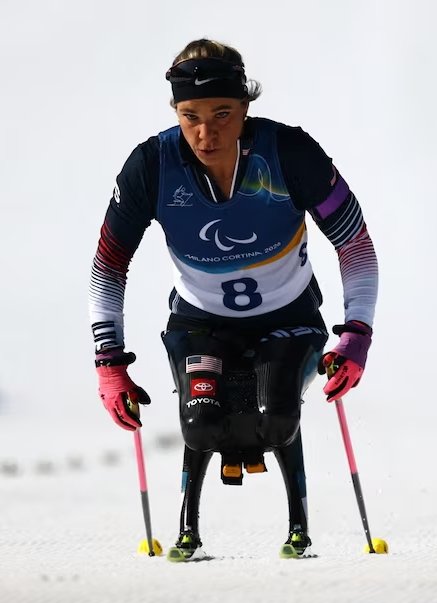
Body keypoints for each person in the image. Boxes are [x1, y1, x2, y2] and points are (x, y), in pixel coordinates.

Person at [88, 39, 379, 560]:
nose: (207, 133)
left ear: (246, 106)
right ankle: (188, 528)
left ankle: (298, 525)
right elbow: (108, 266)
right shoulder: (151, 165)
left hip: (289, 316)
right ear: (176, 112)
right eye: (190, 116)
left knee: (279, 418)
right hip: (201, 322)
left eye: (223, 113)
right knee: (200, 427)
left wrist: (356, 334)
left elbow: (354, 243)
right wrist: (109, 364)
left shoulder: (289, 152)